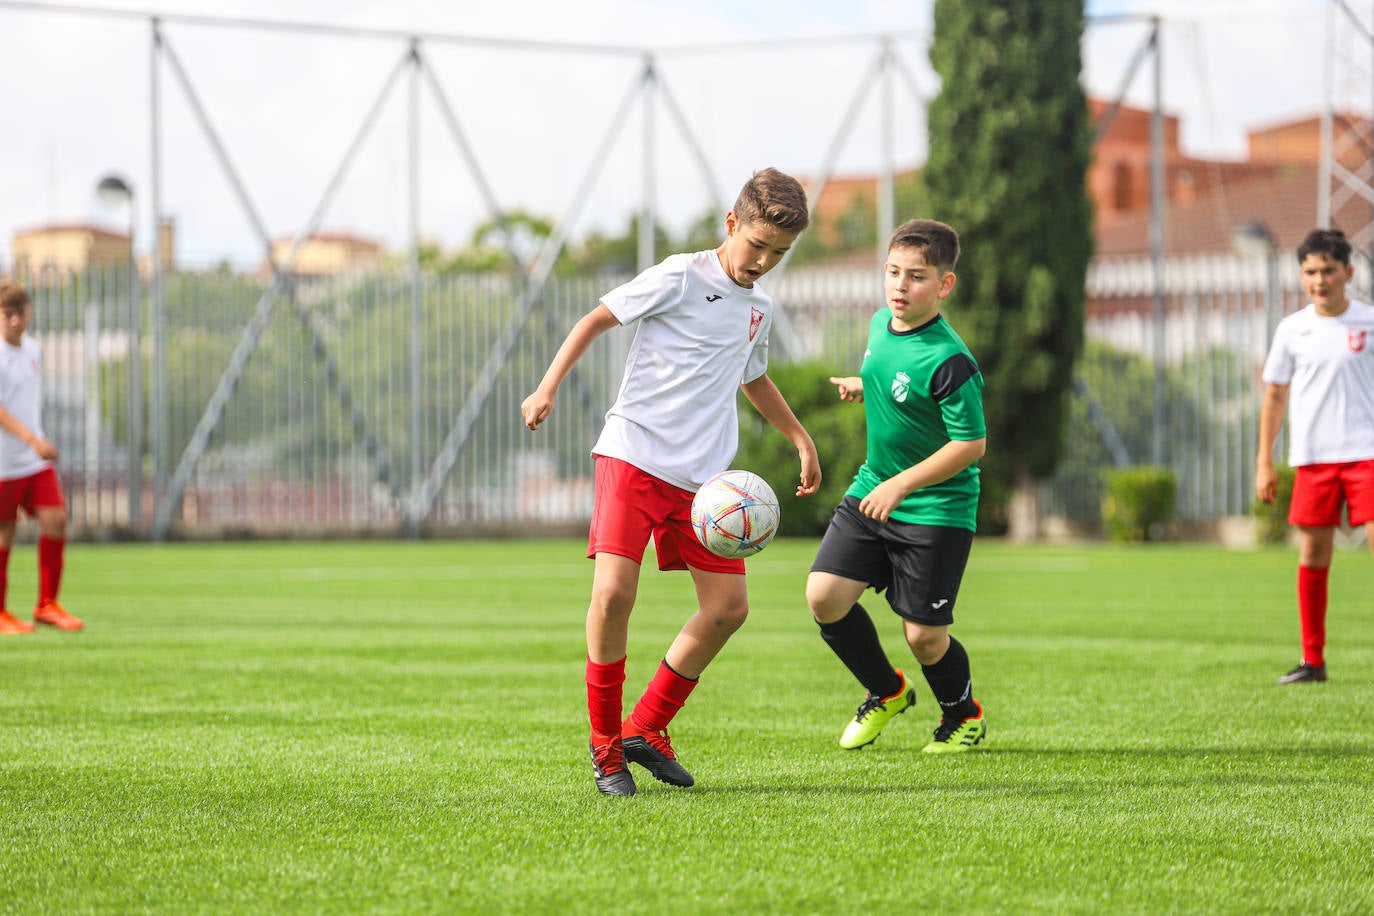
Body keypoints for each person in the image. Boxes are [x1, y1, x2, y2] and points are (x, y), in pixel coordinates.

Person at [521, 168, 822, 796]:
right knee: (613, 595)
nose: (763, 262)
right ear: (731, 224)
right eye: (756, 245)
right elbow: (594, 321)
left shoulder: (758, 309)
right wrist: (547, 385)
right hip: (633, 454)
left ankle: (647, 729)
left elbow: (753, 377)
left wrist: (799, 437)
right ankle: (606, 751)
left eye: (779, 254)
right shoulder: (679, 275)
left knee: (728, 609)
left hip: (705, 482)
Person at [805, 218, 987, 753]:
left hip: (936, 508)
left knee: (924, 637)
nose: (900, 287)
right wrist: (870, 387)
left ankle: (963, 717)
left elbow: (970, 444)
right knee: (824, 598)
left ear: (944, 285)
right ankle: (886, 691)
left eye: (916, 277)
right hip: (873, 488)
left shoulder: (952, 361)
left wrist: (903, 486)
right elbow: (899, 379)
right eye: (892, 273)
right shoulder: (880, 324)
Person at [1256, 227, 1374, 685]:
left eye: (1327, 270)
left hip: (1368, 455)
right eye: (1310, 272)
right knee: (1312, 554)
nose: (1319, 280)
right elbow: (1273, 397)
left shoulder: (1369, 322)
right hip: (1314, 459)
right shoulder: (1292, 329)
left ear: (1348, 272)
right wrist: (1263, 460)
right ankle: (1313, 660)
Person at [0, 282, 83, 635]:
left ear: (30, 312)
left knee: (56, 519)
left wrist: (37, 441)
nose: (16, 321)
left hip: (34, 461)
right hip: (4, 462)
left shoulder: (34, 350)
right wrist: (32, 439)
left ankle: (47, 604)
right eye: (8, 314)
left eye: (21, 312)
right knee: (5, 533)